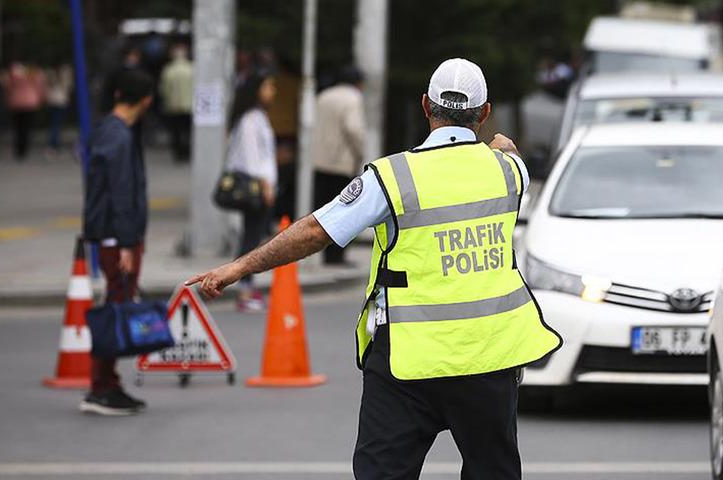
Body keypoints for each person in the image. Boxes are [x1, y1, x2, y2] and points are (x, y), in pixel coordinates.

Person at [187, 58, 562, 479]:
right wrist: (501, 147)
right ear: (485, 112)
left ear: (425, 106)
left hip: (407, 361)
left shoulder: (392, 177)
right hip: (489, 358)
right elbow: (509, 153)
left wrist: (238, 267)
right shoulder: (510, 172)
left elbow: (315, 230)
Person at [81, 69, 154, 416]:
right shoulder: (120, 137)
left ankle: (107, 383)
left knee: (116, 304)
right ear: (146, 100)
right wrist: (128, 243)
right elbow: (121, 193)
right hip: (117, 238)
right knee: (115, 308)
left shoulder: (107, 130)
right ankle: (102, 387)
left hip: (112, 235)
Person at [224, 71, 278, 312]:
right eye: (268, 86)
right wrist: (265, 185)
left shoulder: (257, 117)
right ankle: (244, 289)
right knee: (251, 238)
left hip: (261, 185)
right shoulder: (250, 119)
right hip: (255, 187)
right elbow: (251, 158)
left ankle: (247, 285)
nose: (272, 91)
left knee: (253, 235)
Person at [311, 65, 366, 265]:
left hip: (320, 161)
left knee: (324, 210)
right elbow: (354, 128)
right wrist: (360, 153)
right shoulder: (353, 98)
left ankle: (326, 254)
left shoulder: (323, 96)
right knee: (344, 211)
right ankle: (337, 256)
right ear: (358, 83)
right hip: (342, 163)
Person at [1, 61, 44, 160]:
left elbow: (7, 86)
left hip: (16, 103)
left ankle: (19, 148)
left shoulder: (13, 73)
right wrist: (40, 98)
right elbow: (39, 87)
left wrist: (7, 99)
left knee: (18, 127)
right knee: (26, 127)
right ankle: (24, 148)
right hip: (30, 103)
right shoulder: (34, 73)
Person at [159, 43, 193, 162]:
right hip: (189, 105)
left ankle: (178, 152)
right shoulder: (192, 69)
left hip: (173, 106)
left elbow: (164, 89)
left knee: (176, 131)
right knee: (188, 131)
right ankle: (187, 152)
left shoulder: (168, 70)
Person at [44, 62, 73, 153]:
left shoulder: (50, 73)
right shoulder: (65, 73)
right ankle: (54, 144)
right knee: (57, 124)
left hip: (52, 100)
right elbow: (69, 86)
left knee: (53, 123)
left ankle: (53, 143)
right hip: (61, 101)